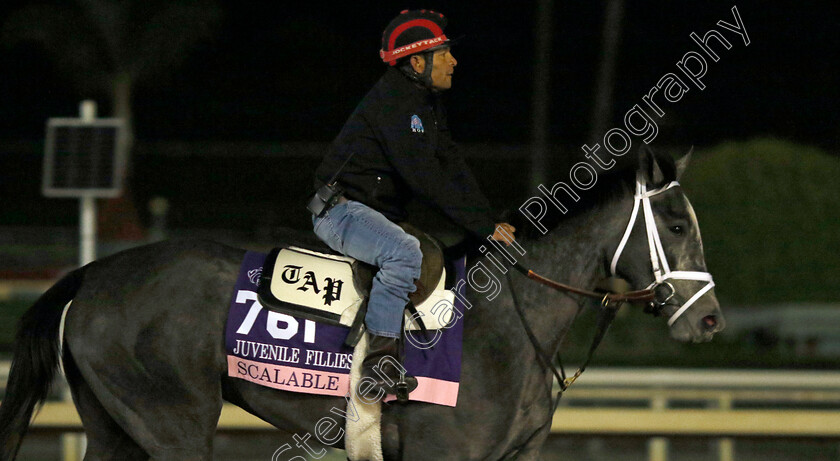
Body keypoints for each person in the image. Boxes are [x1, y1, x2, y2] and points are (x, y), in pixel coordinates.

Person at [310, 9, 515, 397]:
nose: (454, 61)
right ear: (417, 62)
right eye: (444, 53)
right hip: (340, 213)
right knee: (405, 253)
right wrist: (483, 228)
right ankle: (378, 369)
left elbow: (451, 165)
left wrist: (490, 221)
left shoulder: (427, 103)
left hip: (371, 214)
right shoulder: (394, 102)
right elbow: (426, 180)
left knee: (432, 252)